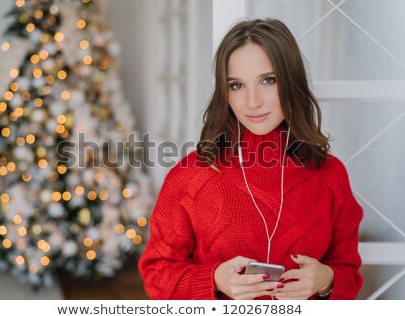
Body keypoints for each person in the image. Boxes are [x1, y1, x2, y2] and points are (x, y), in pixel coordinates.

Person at [138, 18, 363, 300]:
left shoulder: (330, 174)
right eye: (237, 85)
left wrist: (326, 281)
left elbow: (349, 272)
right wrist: (215, 279)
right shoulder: (190, 176)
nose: (253, 101)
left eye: (268, 80)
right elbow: (157, 275)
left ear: (291, 82)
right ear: (224, 92)